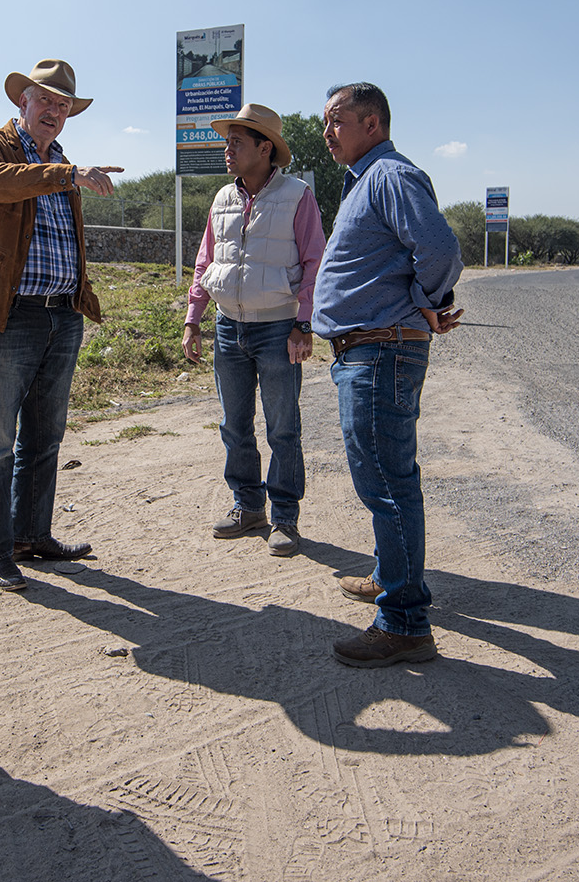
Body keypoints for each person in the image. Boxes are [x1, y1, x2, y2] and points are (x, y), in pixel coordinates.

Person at [0, 60, 123, 592]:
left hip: (61, 313)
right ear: (21, 101)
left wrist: (77, 299)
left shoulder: (63, 161)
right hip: (9, 314)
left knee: (45, 435)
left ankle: (31, 536)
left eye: (63, 105)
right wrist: (67, 175)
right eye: (45, 100)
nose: (54, 111)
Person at [311, 82, 463, 668]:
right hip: (368, 350)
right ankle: (386, 578)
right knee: (383, 479)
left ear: (372, 123)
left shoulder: (390, 176)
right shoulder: (365, 181)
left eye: (336, 121)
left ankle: (404, 623)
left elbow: (439, 248)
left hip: (381, 351)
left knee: (388, 486)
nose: (327, 132)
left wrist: (429, 297)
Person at [181, 104, 326, 557]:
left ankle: (285, 517)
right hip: (229, 328)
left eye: (235, 143)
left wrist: (304, 323)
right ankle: (248, 506)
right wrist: (194, 317)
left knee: (283, 427)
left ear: (265, 148)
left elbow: (314, 263)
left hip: (278, 329)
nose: (227, 150)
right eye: (227, 142)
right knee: (234, 425)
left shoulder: (298, 196)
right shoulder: (223, 198)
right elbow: (207, 261)